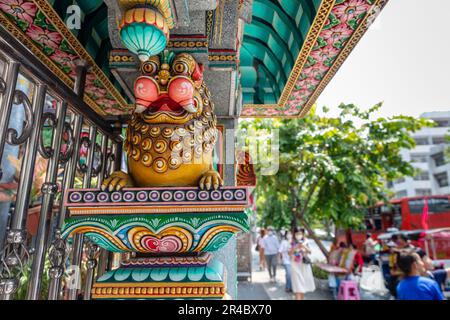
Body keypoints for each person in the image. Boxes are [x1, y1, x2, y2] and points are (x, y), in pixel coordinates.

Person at [289, 228, 316, 300]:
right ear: (294, 235)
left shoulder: (306, 242)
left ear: (303, 234)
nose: (298, 235)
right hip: (295, 266)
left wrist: (303, 246)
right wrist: (295, 247)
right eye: (297, 234)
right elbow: (289, 253)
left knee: (302, 288)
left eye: (300, 234)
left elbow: (310, 252)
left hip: (304, 266)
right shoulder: (292, 242)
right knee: (298, 287)